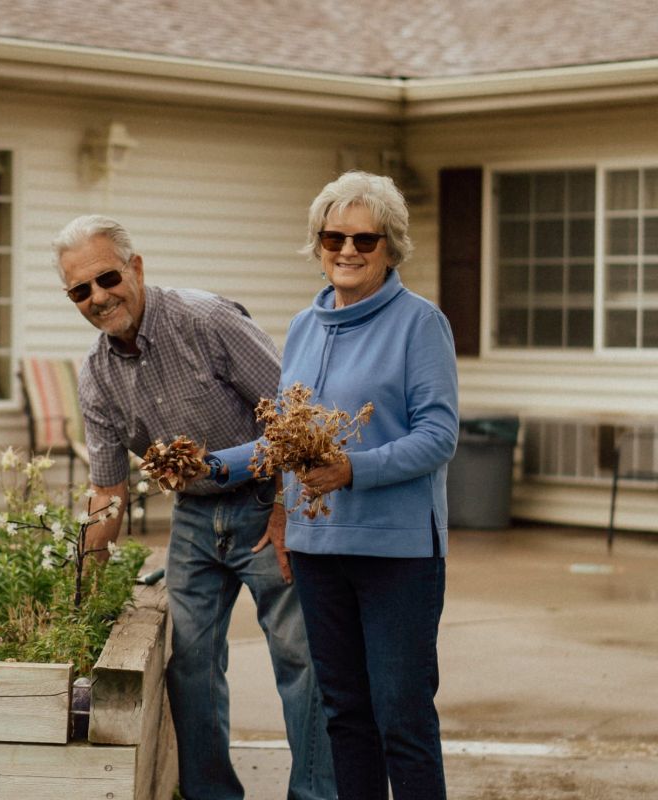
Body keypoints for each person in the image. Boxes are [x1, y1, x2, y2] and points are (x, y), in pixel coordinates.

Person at [51, 215, 335, 800]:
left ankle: (316, 794)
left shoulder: (206, 320)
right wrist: (84, 576)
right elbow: (107, 492)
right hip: (195, 521)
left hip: (264, 503)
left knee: (301, 663)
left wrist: (287, 510)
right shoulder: (97, 377)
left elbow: (293, 415)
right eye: (80, 290)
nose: (98, 298)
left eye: (106, 278)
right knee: (191, 667)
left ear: (136, 268)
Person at [208, 171, 459, 800]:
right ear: (318, 242)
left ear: (390, 246)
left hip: (399, 554)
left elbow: (438, 437)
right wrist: (214, 466)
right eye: (333, 236)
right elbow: (286, 440)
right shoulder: (304, 325)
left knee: (402, 718)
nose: (347, 250)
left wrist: (353, 469)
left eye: (365, 240)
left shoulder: (419, 324)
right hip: (320, 551)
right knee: (345, 714)